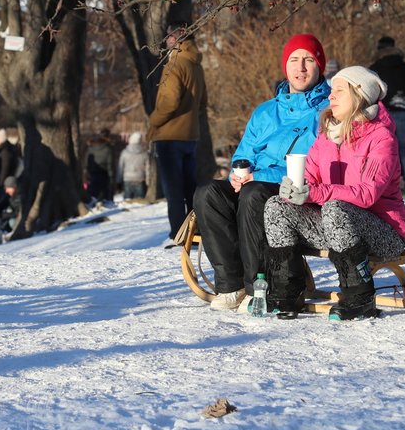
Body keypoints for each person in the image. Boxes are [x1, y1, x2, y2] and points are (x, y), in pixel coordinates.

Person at [194, 34, 330, 312]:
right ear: (285, 67)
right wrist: (239, 171)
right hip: (253, 184)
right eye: (294, 60)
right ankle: (231, 286)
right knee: (208, 193)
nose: (300, 67)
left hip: (298, 193)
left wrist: (261, 177)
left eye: (308, 60)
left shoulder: (328, 110)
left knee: (255, 193)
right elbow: (245, 152)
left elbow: (316, 166)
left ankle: (259, 287)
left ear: (319, 66)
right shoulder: (265, 112)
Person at [264, 66, 405, 321]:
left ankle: (359, 297)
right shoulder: (326, 136)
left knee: (335, 207)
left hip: (385, 232)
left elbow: (367, 195)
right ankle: (288, 293)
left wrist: (316, 193)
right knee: (276, 205)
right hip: (335, 225)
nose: (331, 96)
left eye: (339, 90)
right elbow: (310, 180)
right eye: (331, 90)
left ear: (359, 95)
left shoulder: (381, 138)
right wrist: (294, 191)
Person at [147, 23, 208, 246]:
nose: (165, 41)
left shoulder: (175, 65)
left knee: (173, 190)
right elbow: (203, 103)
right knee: (190, 188)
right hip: (190, 135)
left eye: (168, 37)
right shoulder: (196, 65)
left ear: (176, 38)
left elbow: (169, 101)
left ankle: (178, 235)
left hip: (170, 135)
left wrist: (153, 121)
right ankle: (195, 231)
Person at [370, 36, 405, 198]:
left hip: (381, 113)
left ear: (379, 49)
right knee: (404, 149)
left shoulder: (374, 68)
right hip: (401, 110)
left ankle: (389, 189)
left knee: (384, 151)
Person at [85, 128, 115, 206]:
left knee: (92, 195)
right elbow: (110, 165)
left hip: (92, 174)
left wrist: (87, 172)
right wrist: (111, 177)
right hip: (104, 175)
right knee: (105, 197)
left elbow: (86, 162)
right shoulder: (108, 149)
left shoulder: (90, 148)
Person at [116, 132, 149, 200]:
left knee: (128, 202)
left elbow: (120, 167)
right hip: (140, 179)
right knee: (141, 204)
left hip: (127, 179)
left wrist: (118, 181)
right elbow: (148, 168)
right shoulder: (144, 153)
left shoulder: (124, 152)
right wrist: (148, 182)